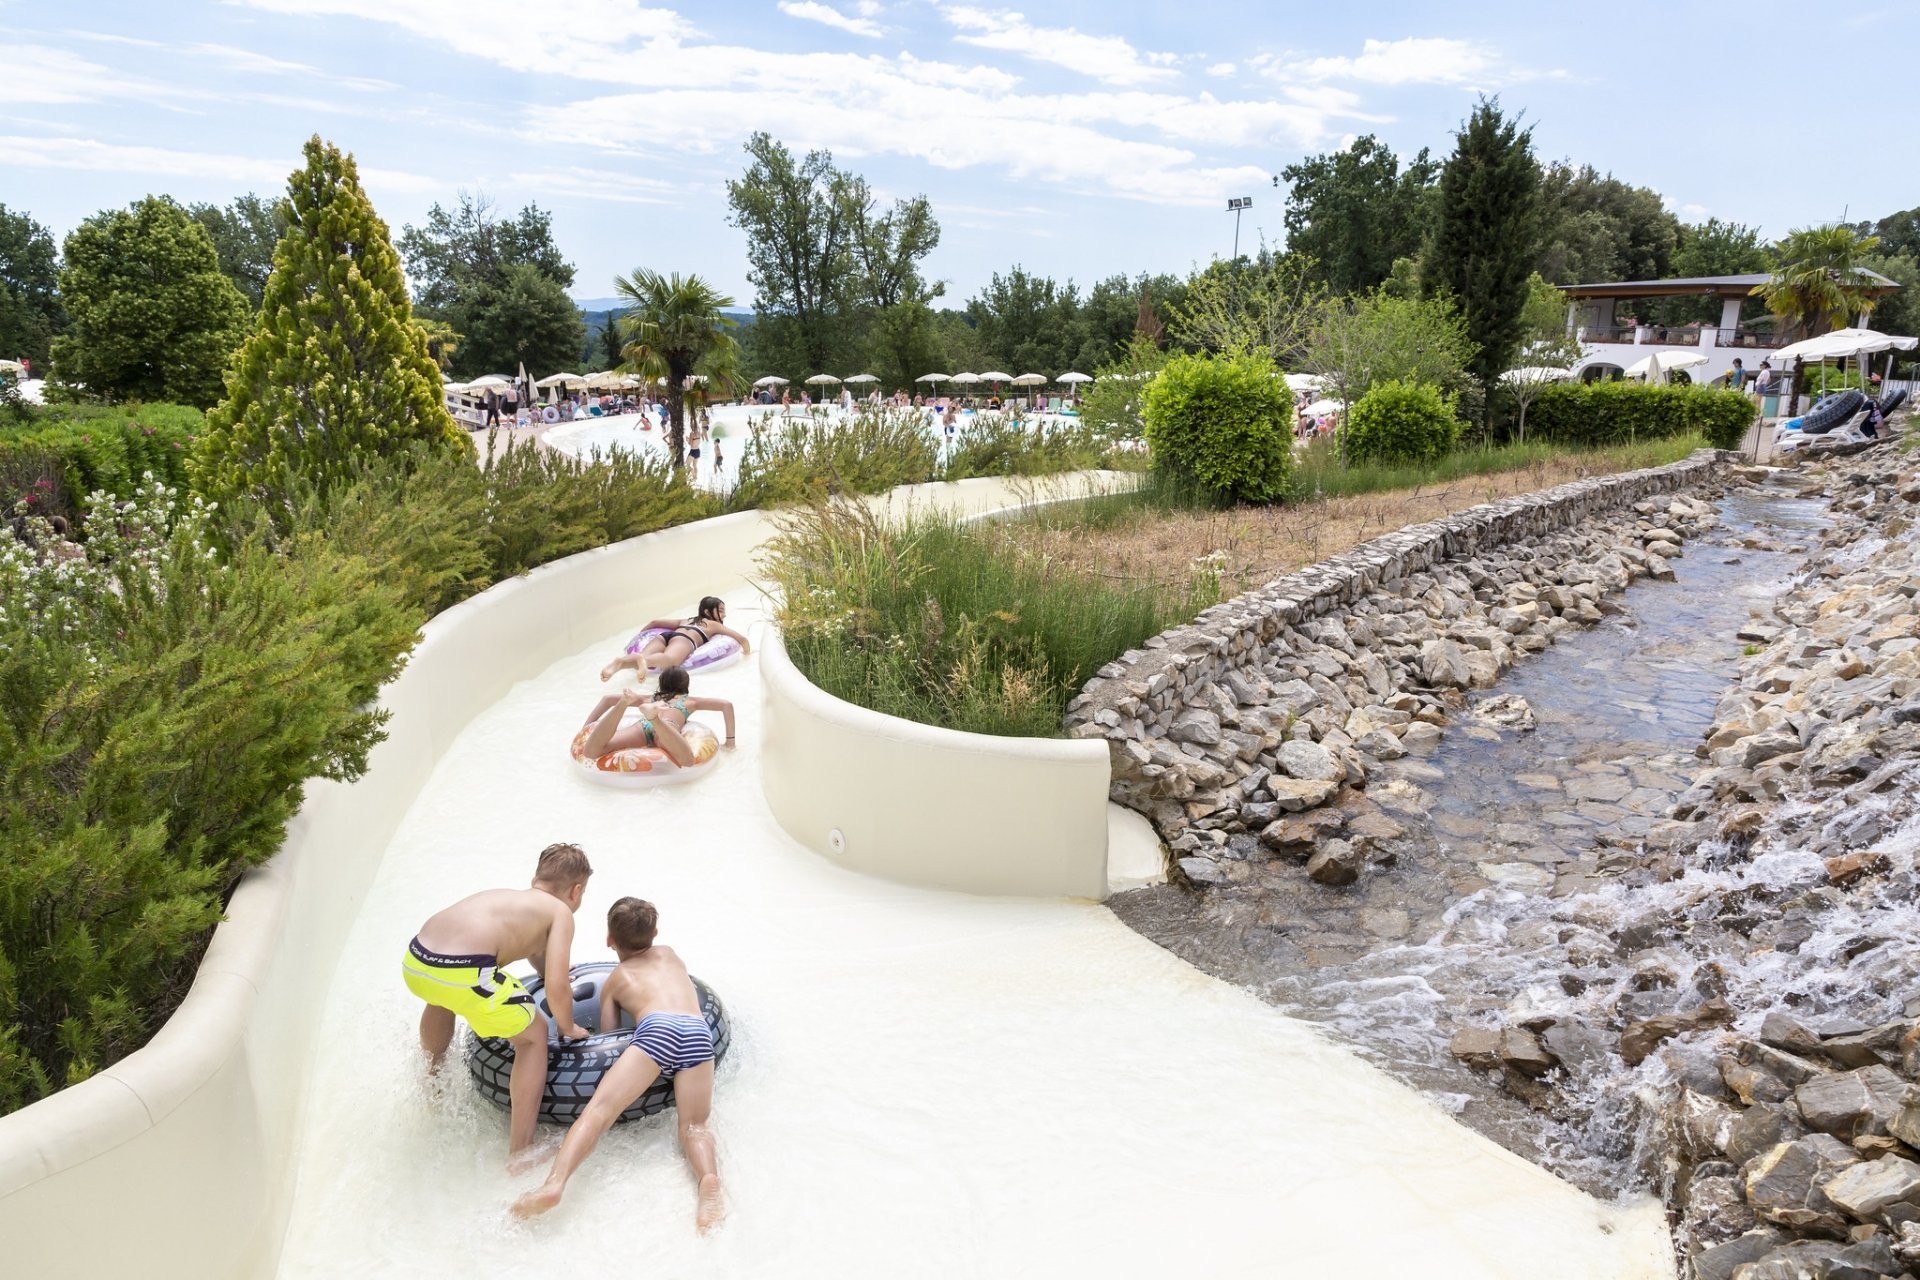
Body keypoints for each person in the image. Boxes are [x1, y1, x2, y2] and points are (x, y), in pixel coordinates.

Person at [511, 898, 724, 1230]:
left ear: (609, 939)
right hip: (697, 1031)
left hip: (658, 1031)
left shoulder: (615, 980)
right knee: (695, 1126)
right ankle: (708, 1180)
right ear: (655, 932)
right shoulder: (670, 955)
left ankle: (554, 1183)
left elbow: (609, 1042)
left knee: (597, 1114)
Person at [403, 843, 593, 1169]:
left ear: (537, 878)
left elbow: (535, 950)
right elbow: (559, 987)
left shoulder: (512, 899)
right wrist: (567, 1027)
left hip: (417, 960)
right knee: (533, 1034)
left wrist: (542, 972)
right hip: (463, 969)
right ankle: (521, 1152)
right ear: (576, 891)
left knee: (441, 998)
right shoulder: (560, 912)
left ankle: (432, 1081)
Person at [578, 665, 737, 767]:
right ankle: (655, 718)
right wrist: (730, 742)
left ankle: (623, 705)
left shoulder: (649, 698)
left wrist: (586, 727)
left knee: (591, 752)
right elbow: (726, 705)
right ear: (685, 685)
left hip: (641, 727)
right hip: (666, 725)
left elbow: (606, 700)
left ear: (661, 683)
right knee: (687, 760)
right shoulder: (689, 701)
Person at [601, 596, 752, 681]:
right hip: (685, 640)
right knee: (670, 660)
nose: (724, 615)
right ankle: (643, 660)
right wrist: (747, 656)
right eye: (720, 611)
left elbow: (655, 622)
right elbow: (742, 640)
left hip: (665, 636)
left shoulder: (686, 620)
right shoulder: (713, 625)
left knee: (642, 660)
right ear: (707, 611)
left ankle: (620, 663)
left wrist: (639, 638)